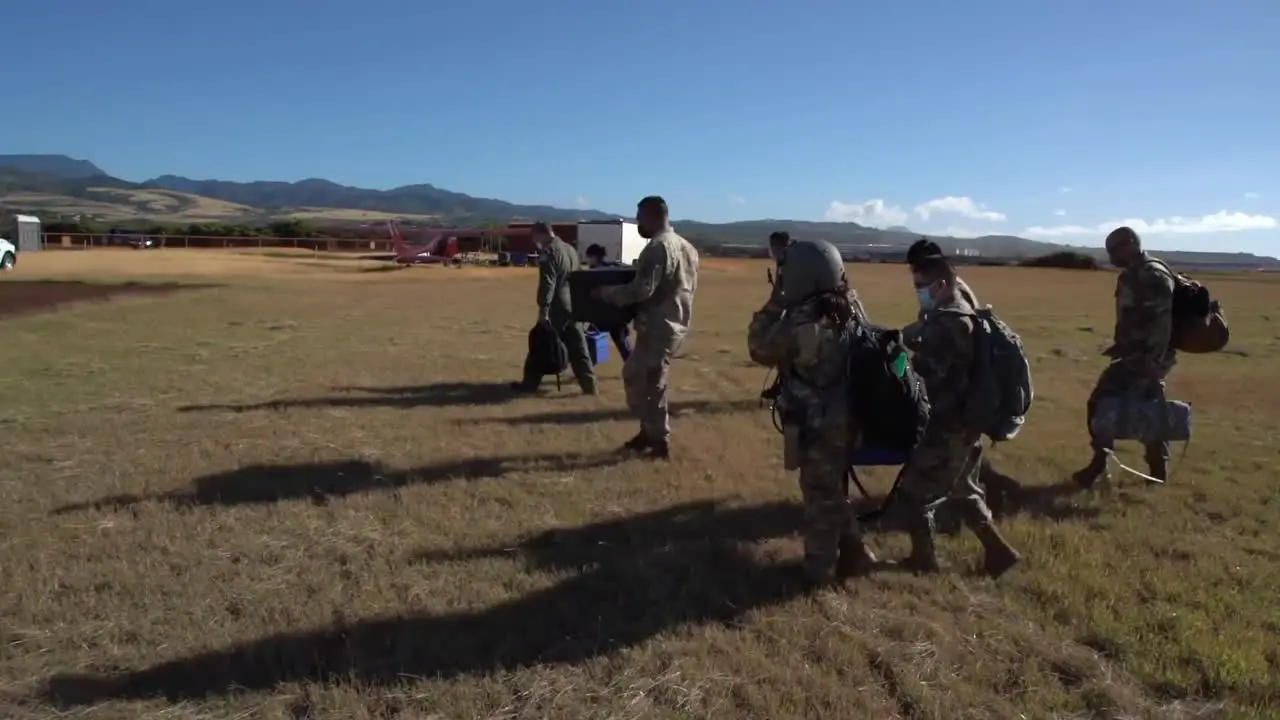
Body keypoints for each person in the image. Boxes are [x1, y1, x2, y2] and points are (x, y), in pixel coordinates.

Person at [748, 239, 878, 587]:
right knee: (832, 487)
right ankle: (857, 551)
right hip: (852, 417)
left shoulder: (804, 321)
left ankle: (817, 573)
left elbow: (758, 346)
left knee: (819, 495)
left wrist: (776, 300)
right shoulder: (851, 307)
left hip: (821, 423)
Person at [892, 255, 1021, 577]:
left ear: (941, 284)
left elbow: (925, 376)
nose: (918, 291)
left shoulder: (948, 323)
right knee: (963, 489)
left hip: (947, 426)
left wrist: (899, 359)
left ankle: (924, 560)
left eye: (921, 285)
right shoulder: (964, 311)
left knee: (911, 495)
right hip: (967, 423)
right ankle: (1000, 552)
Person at [594, 196, 699, 460]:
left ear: (652, 215)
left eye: (640, 217)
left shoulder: (657, 247)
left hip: (658, 327)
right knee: (645, 377)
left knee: (648, 382)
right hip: (674, 324)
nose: (638, 222)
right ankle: (648, 432)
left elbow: (642, 289)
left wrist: (606, 293)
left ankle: (659, 441)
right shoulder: (687, 247)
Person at [1073, 226, 1177, 488]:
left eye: (1114, 250)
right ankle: (1153, 470)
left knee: (1106, 405)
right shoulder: (1135, 274)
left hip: (1145, 360)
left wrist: (1152, 363)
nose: (1111, 256)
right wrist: (1121, 346)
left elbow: (1161, 324)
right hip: (1134, 356)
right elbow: (1135, 319)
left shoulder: (1152, 275)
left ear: (1130, 244)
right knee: (1148, 410)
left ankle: (1103, 464)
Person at [511, 222, 597, 395]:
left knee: (540, 345)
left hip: (557, 307)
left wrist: (544, 309)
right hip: (573, 305)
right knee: (579, 349)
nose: (534, 241)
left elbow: (548, 283)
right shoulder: (569, 249)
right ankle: (590, 386)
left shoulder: (549, 252)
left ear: (541, 234)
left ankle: (528, 385)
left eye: (534, 237)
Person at [583, 243, 633, 361]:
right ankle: (634, 367)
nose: (588, 260)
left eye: (589, 257)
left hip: (604, 316)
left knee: (589, 342)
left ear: (594, 256)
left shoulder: (594, 272)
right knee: (623, 345)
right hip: (615, 315)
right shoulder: (613, 268)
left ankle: (588, 368)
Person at [766, 230, 795, 304]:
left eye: (773, 245)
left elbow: (778, 290)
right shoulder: (790, 257)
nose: (772, 249)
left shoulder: (786, 261)